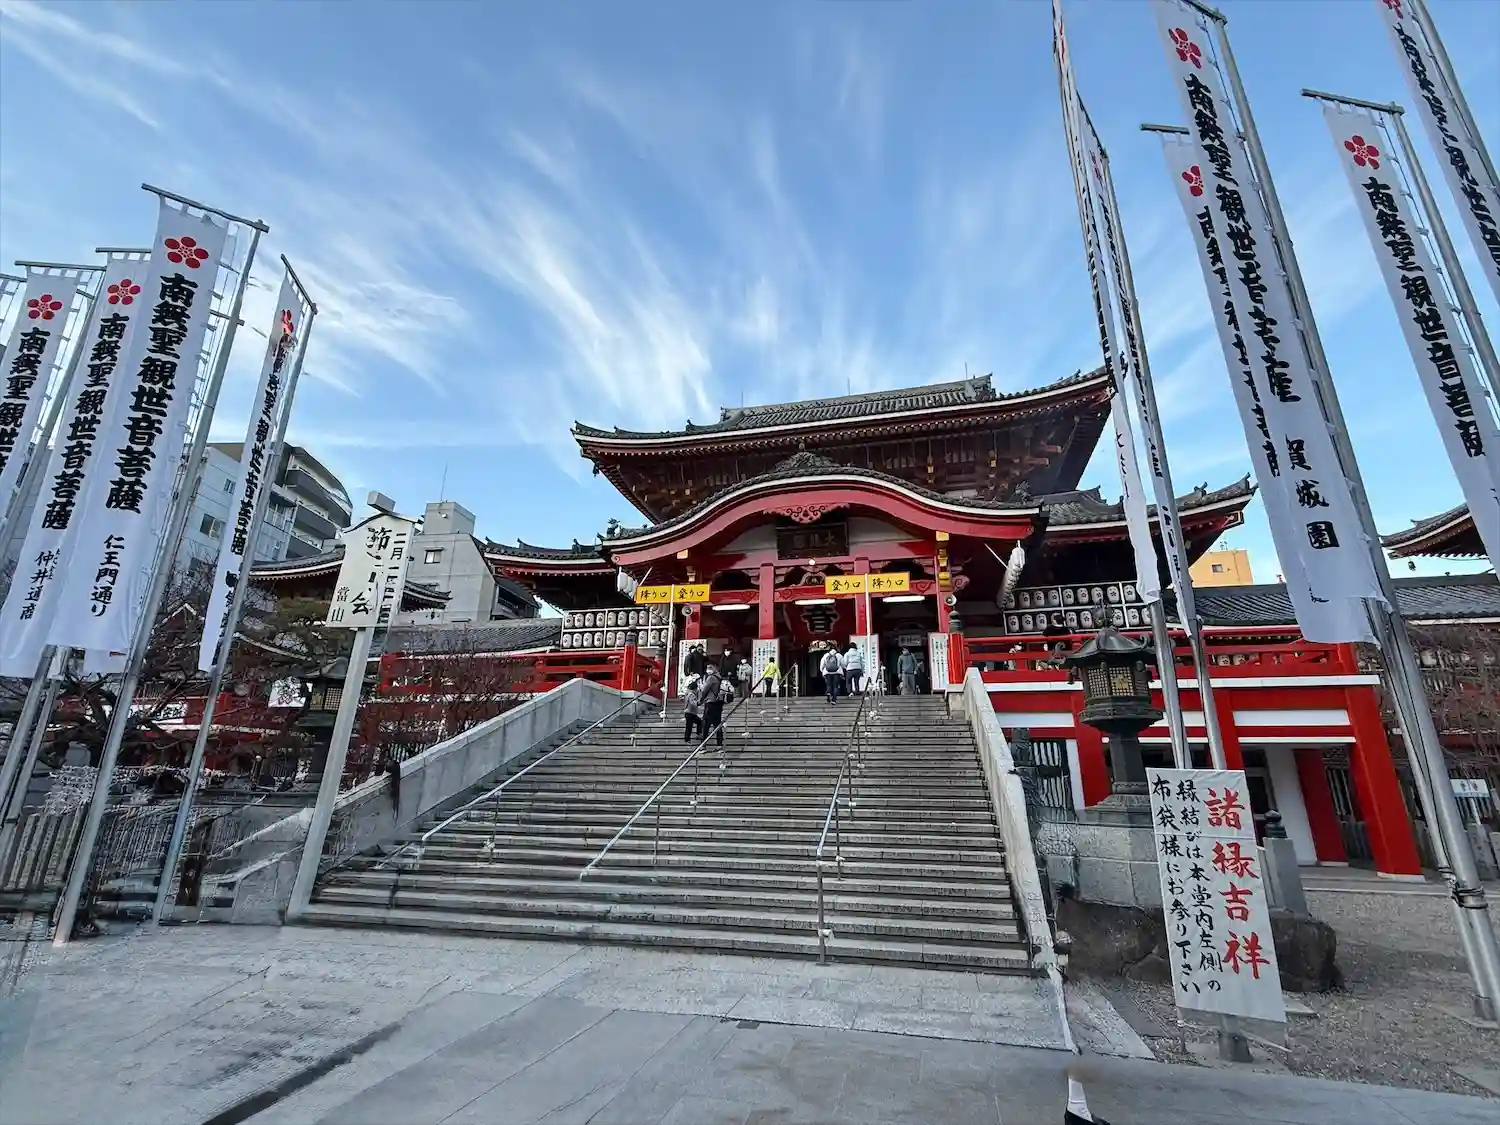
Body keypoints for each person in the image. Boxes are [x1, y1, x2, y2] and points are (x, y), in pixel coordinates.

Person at [700, 666, 726, 746]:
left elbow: (705, 690)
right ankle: (719, 744)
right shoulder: (719, 678)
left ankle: (703, 745)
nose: (707, 670)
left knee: (706, 724)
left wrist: (701, 699)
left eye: (709, 668)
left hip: (710, 702)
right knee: (717, 724)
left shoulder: (711, 678)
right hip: (718, 702)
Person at [682, 675, 703, 743]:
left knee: (698, 722)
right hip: (690, 713)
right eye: (696, 689)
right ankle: (687, 739)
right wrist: (698, 703)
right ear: (694, 689)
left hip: (690, 712)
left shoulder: (688, 693)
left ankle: (694, 735)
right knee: (689, 726)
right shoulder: (691, 694)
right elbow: (692, 703)